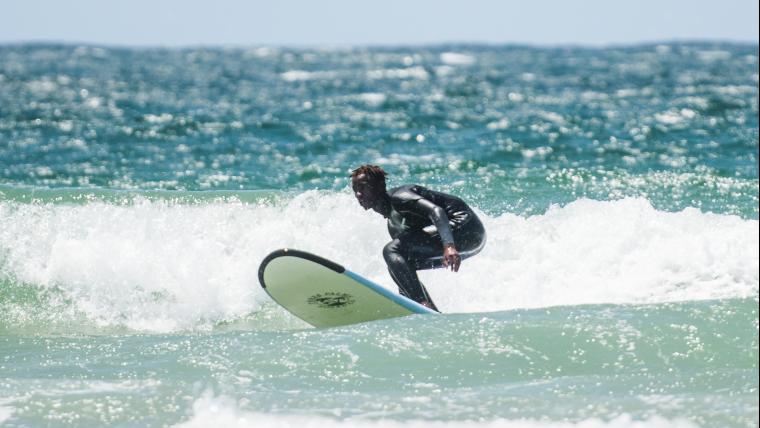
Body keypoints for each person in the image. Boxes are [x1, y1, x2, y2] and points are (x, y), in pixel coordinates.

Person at [350, 164, 486, 312]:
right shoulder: (393, 224)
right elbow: (403, 269)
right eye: (355, 188)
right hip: (466, 239)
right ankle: (428, 310)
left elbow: (436, 211)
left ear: (380, 186)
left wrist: (449, 246)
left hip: (467, 228)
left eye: (363, 187)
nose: (358, 194)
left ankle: (422, 303)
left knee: (391, 250)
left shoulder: (400, 197)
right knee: (397, 262)